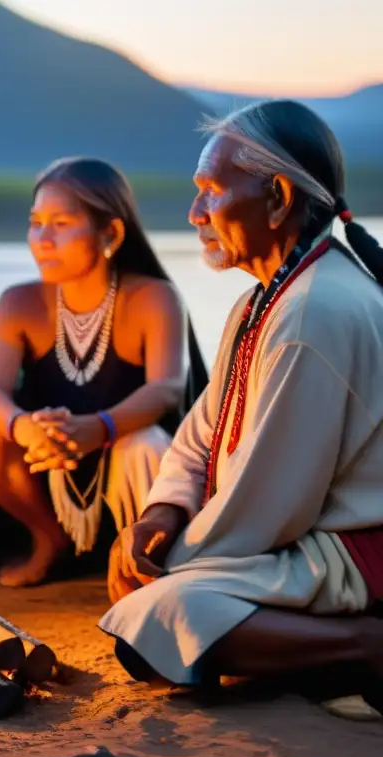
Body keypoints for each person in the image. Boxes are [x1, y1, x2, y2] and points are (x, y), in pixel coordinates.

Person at [100, 100, 383, 710]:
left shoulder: (316, 310)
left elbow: (272, 501)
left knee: (160, 613)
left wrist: (168, 565)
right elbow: (200, 435)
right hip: (293, 541)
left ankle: (368, 645)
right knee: (153, 619)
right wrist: (162, 516)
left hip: (355, 557)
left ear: (278, 198)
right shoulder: (266, 299)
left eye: (210, 191)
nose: (195, 212)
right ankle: (312, 652)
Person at [0, 158, 209, 588]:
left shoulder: (153, 297)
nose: (42, 239)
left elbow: (168, 388)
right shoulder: (18, 302)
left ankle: (147, 562)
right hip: (47, 471)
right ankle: (49, 541)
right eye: (36, 222)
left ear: (111, 234)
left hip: (128, 473)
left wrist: (98, 428)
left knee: (145, 443)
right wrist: (25, 427)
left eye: (60, 223)